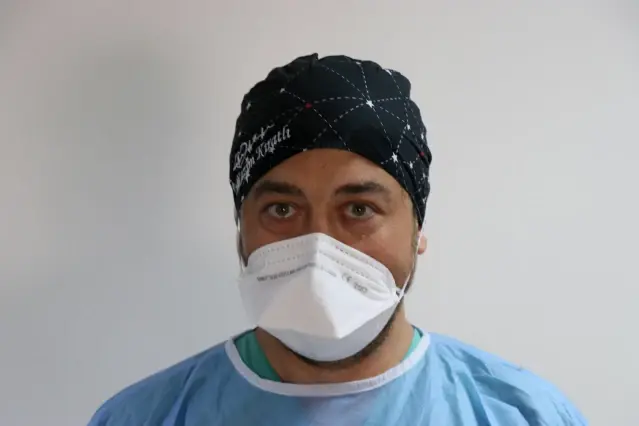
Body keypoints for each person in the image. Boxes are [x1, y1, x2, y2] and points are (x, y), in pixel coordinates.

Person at [88, 54, 586, 425]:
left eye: (359, 209)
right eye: (282, 210)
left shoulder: (523, 415)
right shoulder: (144, 417)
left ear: (417, 231)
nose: (318, 248)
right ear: (241, 230)